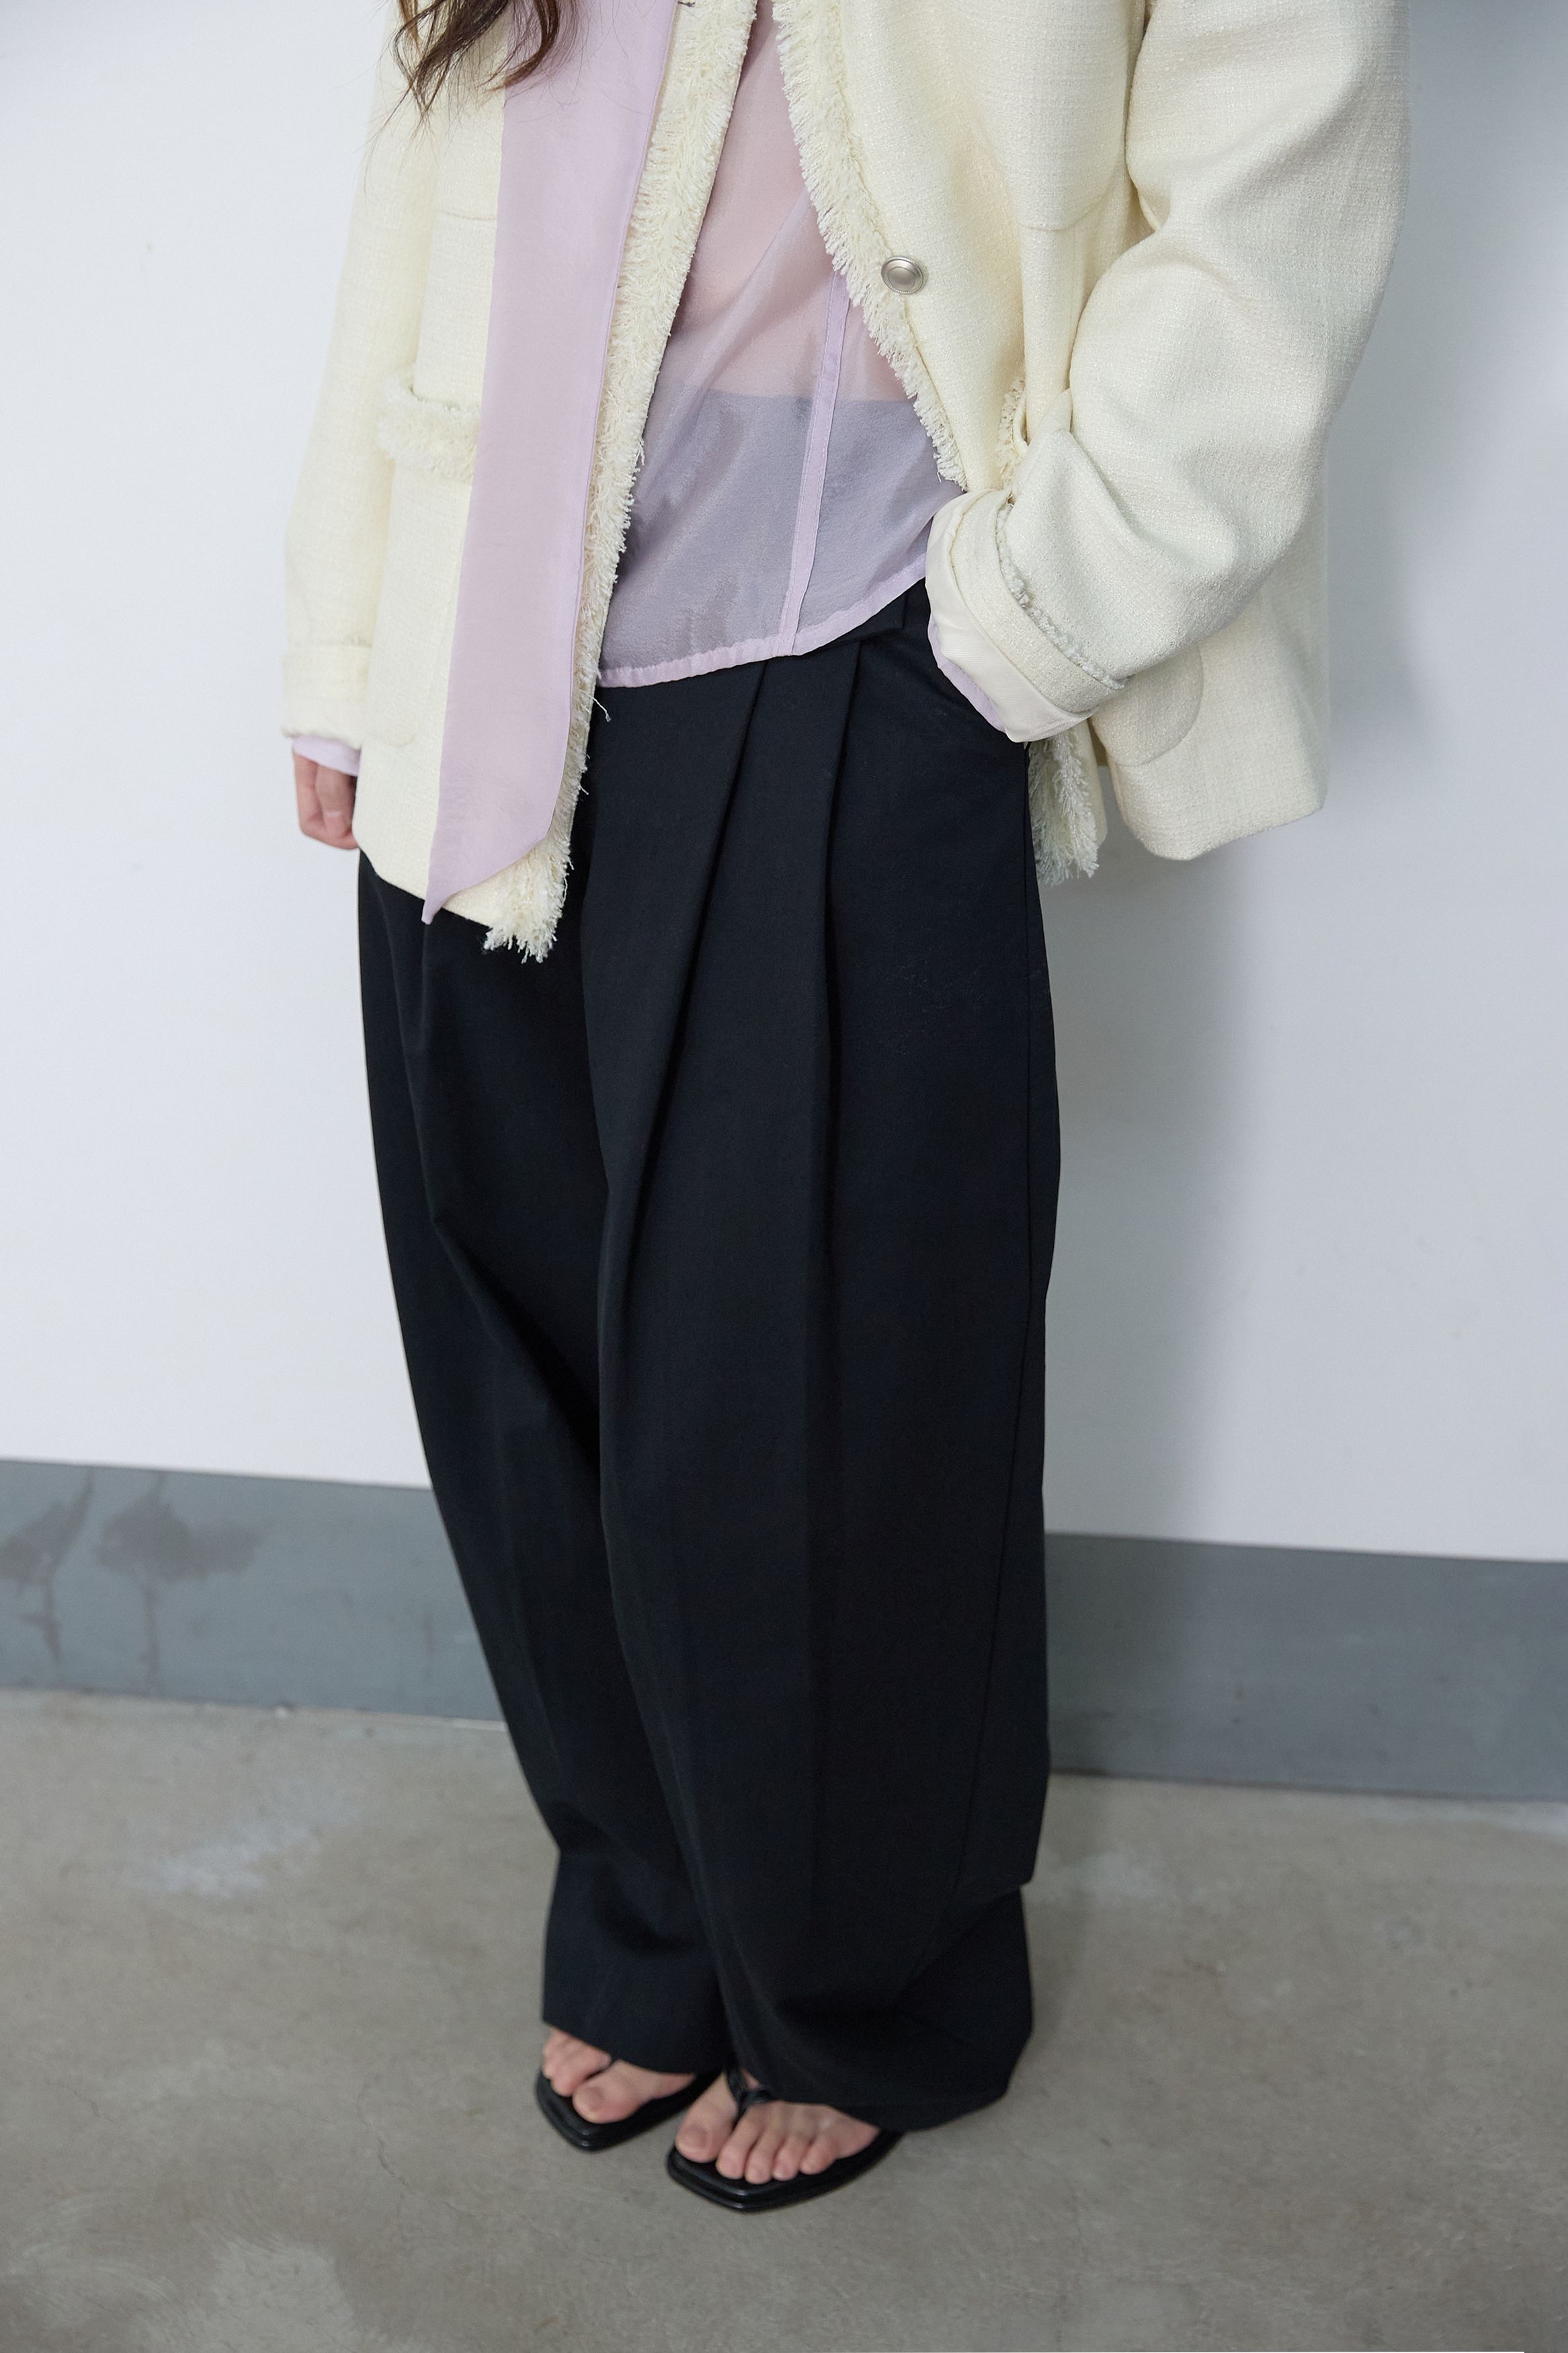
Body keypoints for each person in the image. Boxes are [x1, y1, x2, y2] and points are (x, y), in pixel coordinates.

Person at [284, 0, 1407, 2212]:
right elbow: (435, 158)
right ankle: (654, 1904)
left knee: (830, 1376)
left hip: (860, 617)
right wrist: (348, 636)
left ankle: (865, 1973)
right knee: (518, 1342)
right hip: (485, 618)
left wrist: (1029, 612)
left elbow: (1276, 171)